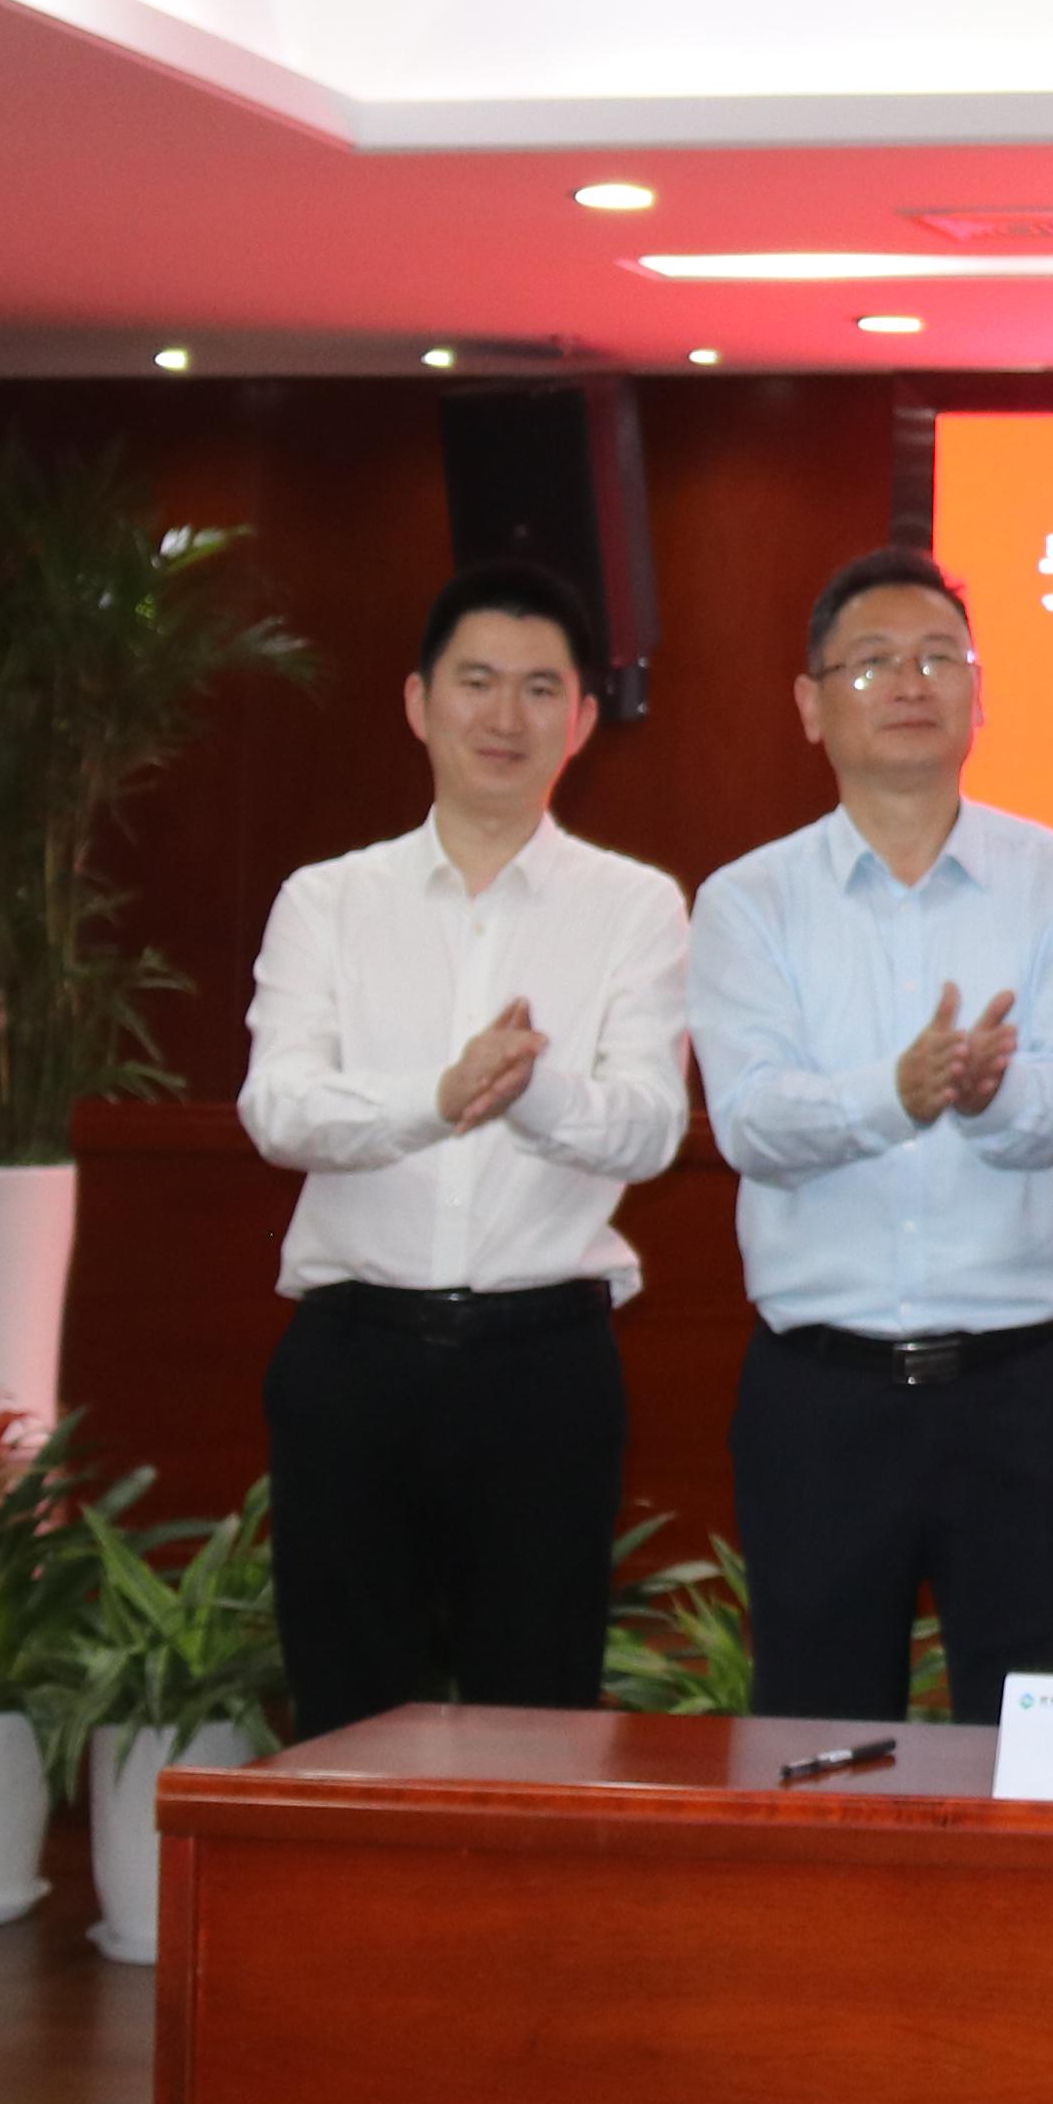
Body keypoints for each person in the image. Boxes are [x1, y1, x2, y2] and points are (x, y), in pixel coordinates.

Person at [235, 563, 691, 1740]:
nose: (505, 715)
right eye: (477, 681)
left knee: (535, 1726)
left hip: (543, 1368)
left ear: (581, 719)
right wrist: (437, 1099)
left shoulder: (637, 905)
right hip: (353, 1360)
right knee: (346, 1720)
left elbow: (651, 1124)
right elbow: (278, 1106)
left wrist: (529, 1094)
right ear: (417, 701)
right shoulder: (327, 900)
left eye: (541, 689)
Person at [687, 546, 1053, 1729]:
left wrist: (991, 1094)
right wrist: (899, 1093)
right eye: (873, 661)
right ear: (811, 704)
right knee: (818, 1737)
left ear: (980, 696)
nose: (910, 682)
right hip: (820, 1395)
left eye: (940, 658)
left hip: (1019, 1387)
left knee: (1030, 1737)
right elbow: (752, 1120)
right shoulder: (748, 900)